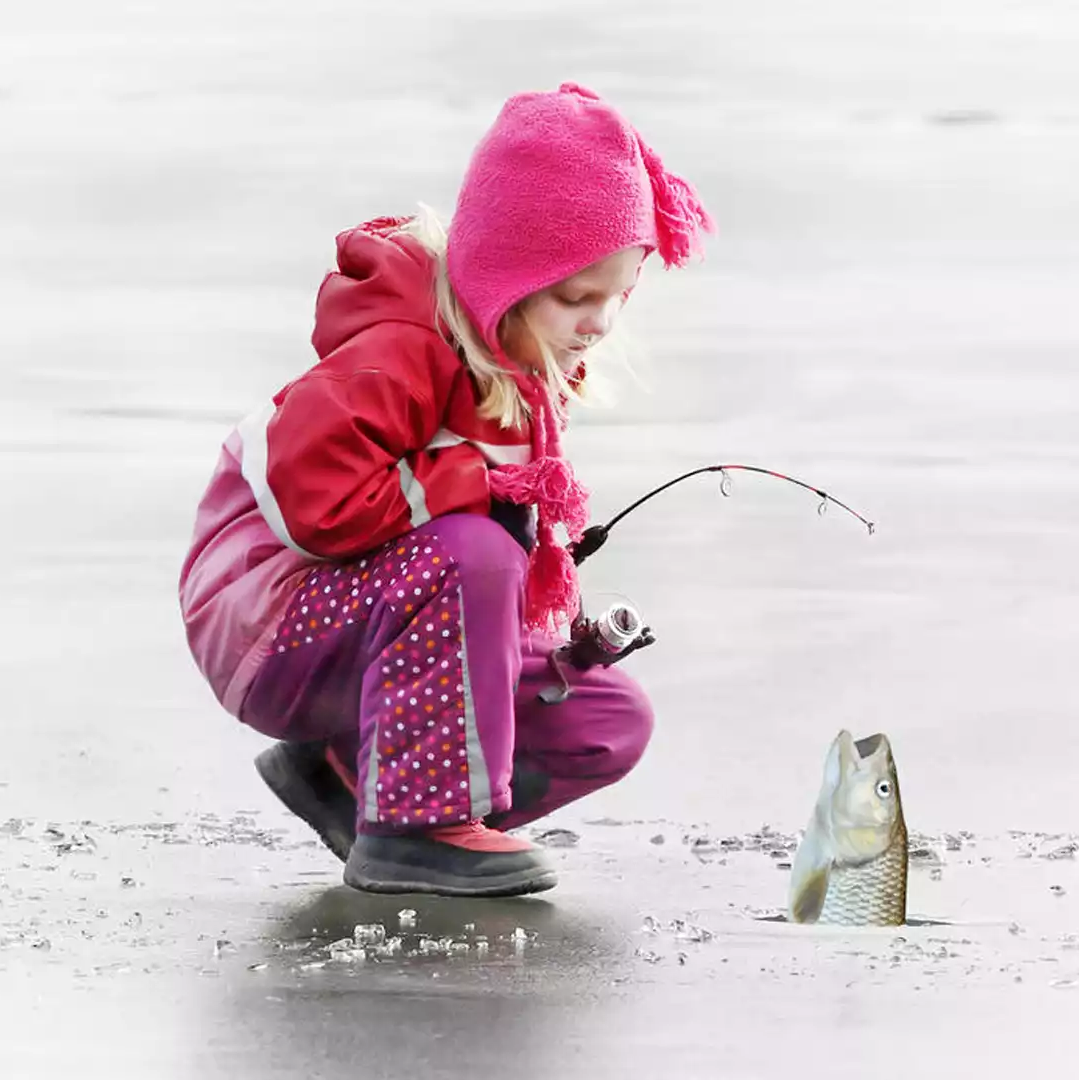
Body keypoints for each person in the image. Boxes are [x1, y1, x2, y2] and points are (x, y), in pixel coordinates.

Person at [176, 83, 714, 898]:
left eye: (616, 295)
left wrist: (563, 640)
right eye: (577, 297)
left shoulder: (523, 371)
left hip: (376, 620)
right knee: (475, 551)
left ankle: (351, 776)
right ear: (509, 275)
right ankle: (415, 832)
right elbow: (311, 505)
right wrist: (482, 486)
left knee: (604, 722)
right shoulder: (399, 348)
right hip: (267, 623)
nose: (600, 322)